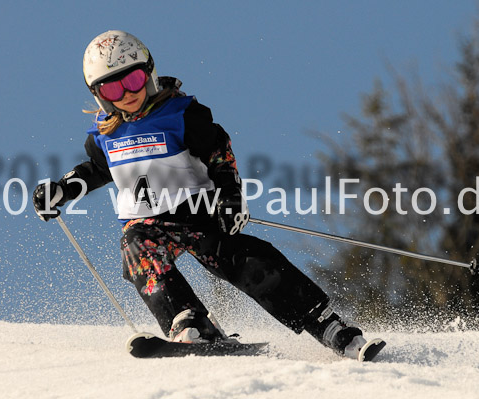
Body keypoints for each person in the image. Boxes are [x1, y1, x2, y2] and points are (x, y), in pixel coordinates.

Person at [33, 30, 368, 359]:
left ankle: (328, 326)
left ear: (149, 73)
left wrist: (230, 196)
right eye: (112, 87)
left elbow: (218, 154)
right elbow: (96, 169)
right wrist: (61, 189)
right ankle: (190, 321)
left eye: (133, 80)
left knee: (247, 263)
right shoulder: (105, 135)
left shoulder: (181, 114)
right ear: (99, 94)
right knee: (138, 249)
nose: (126, 93)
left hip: (198, 211)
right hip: (146, 222)